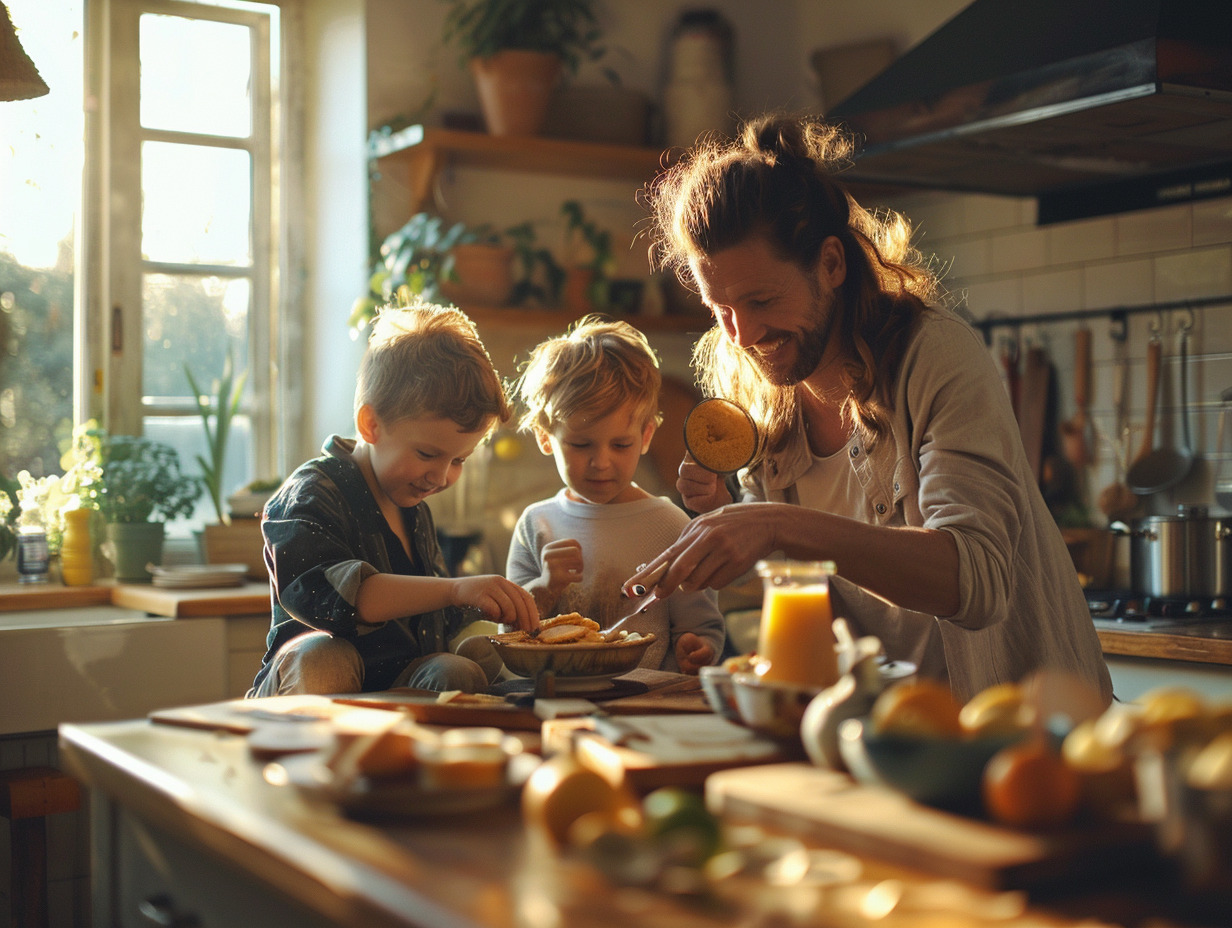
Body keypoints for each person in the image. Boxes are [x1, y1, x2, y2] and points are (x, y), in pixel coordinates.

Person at [625, 114, 1112, 704]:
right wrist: (735, 532)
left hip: (1025, 735)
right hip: (882, 732)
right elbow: (813, 580)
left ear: (831, 265)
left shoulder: (934, 353)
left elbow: (977, 581)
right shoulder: (761, 393)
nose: (743, 333)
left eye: (761, 300)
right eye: (719, 307)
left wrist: (773, 525)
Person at [249, 302, 539, 697]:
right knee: (324, 655)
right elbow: (344, 599)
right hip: (301, 692)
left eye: (459, 460)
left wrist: (485, 620)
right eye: (426, 454)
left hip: (387, 692)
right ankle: (316, 756)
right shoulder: (312, 492)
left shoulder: (414, 511)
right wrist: (455, 589)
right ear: (371, 424)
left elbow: (435, 621)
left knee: (457, 669)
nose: (441, 477)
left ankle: (411, 757)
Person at [506, 316, 726, 674]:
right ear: (546, 437)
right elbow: (510, 638)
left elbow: (699, 627)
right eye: (580, 444)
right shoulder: (537, 524)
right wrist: (545, 587)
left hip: (647, 705)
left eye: (621, 444)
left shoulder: (671, 525)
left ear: (646, 436)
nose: (601, 463)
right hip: (556, 699)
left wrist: (696, 648)